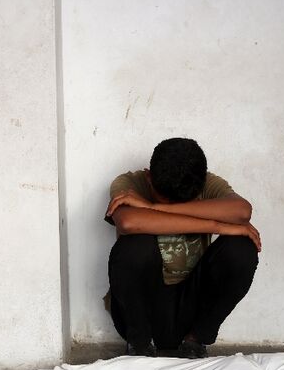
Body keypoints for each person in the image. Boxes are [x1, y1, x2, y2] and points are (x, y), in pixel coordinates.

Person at [104, 138, 261, 358]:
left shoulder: (205, 183)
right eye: (164, 201)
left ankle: (196, 340)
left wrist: (153, 207)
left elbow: (242, 211)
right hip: (144, 310)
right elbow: (129, 222)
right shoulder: (130, 183)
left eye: (180, 204)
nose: (170, 208)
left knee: (241, 248)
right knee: (133, 246)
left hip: (192, 310)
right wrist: (218, 226)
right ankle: (139, 344)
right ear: (149, 177)